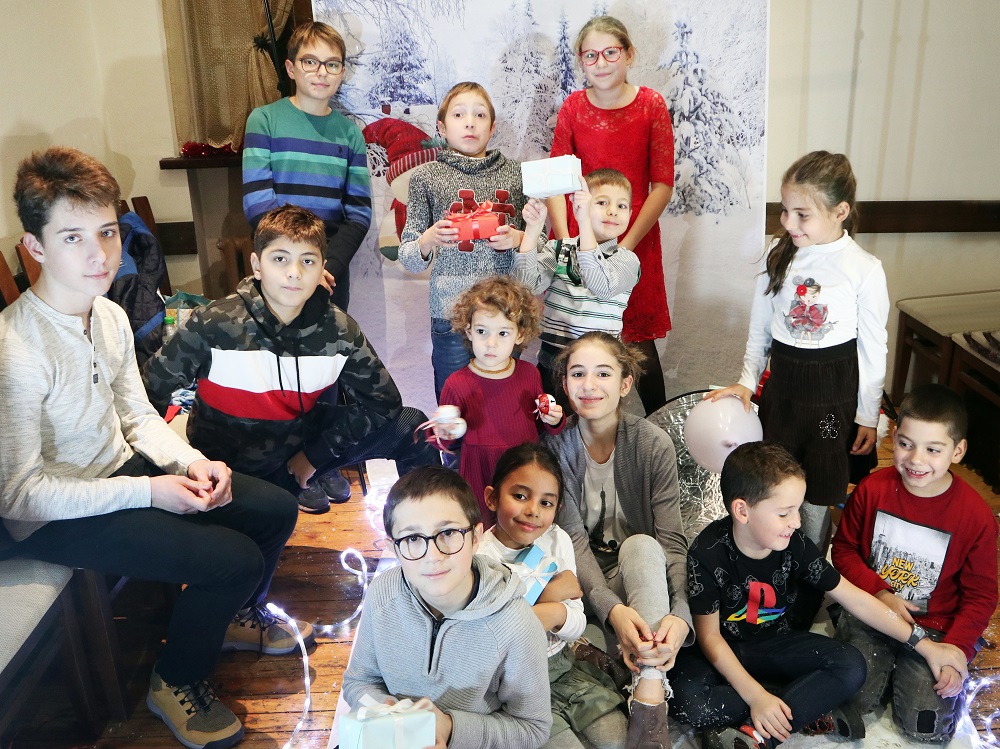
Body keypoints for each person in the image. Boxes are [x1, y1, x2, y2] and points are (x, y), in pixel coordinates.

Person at [0, 146, 306, 749]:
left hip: (120, 471)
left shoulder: (109, 315)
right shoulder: (17, 349)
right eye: (72, 237)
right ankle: (176, 680)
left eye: (107, 231)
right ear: (35, 246)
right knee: (232, 559)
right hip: (53, 516)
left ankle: (228, 616)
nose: (99, 253)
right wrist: (149, 491)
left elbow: (138, 416)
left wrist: (192, 462)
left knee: (274, 507)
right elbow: (18, 497)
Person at [670, 442, 969, 749]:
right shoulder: (707, 552)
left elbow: (855, 598)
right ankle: (798, 704)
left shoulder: (795, 544)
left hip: (772, 644)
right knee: (686, 703)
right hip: (721, 649)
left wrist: (924, 645)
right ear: (743, 511)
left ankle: (761, 731)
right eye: (784, 513)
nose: (797, 522)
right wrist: (756, 696)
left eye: (797, 510)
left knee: (851, 666)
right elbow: (709, 639)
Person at [143, 204, 439, 515]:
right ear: (257, 265)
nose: (294, 272)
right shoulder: (212, 323)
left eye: (307, 261)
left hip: (295, 448)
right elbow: (147, 395)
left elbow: (383, 402)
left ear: (323, 269)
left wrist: (316, 454)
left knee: (412, 427)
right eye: (280, 259)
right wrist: (169, 475)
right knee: (265, 526)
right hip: (223, 467)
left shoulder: (339, 330)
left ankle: (426, 527)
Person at [706, 151, 890, 553]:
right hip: (784, 393)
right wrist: (747, 380)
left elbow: (874, 349)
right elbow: (760, 328)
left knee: (819, 484)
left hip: (832, 400)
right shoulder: (780, 252)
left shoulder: (864, 268)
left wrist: (867, 414)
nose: (789, 223)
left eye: (802, 214)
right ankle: (770, 555)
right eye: (785, 211)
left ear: (840, 212)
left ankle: (810, 562)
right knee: (774, 477)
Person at [543, 332, 691, 749]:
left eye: (603, 374)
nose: (589, 385)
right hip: (586, 588)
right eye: (577, 374)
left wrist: (682, 615)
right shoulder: (555, 449)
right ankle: (643, 667)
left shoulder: (652, 444)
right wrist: (614, 611)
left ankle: (649, 695)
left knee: (641, 545)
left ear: (626, 384)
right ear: (565, 383)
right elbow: (573, 541)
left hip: (644, 575)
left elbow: (671, 541)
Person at [341, 466, 552, 749]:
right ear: (394, 549)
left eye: (448, 532)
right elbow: (358, 681)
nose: (433, 556)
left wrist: (451, 729)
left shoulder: (517, 626)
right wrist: (383, 708)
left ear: (475, 537)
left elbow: (533, 728)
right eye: (412, 539)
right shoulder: (382, 594)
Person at [832, 384, 998, 741]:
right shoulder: (871, 489)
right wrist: (880, 592)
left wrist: (957, 649)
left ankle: (901, 675)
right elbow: (843, 550)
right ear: (894, 437)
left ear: (957, 451)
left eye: (933, 449)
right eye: (906, 444)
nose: (916, 460)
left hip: (936, 627)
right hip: (872, 613)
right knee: (852, 697)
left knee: (925, 725)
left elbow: (981, 595)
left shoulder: (977, 517)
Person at [549, 16, 675, 415]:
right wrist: (565, 241)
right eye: (590, 55)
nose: (600, 63)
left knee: (635, 339)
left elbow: (662, 184)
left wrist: (626, 247)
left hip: (633, 235)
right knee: (574, 334)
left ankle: (660, 427)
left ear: (628, 54)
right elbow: (557, 179)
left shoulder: (650, 105)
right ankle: (563, 431)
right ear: (581, 61)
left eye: (610, 52)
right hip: (581, 235)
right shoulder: (573, 107)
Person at [478, 443, 628, 749]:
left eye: (546, 502)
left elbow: (576, 622)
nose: (533, 510)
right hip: (514, 683)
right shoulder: (479, 559)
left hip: (562, 665)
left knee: (616, 738)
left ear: (557, 508)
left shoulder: (557, 540)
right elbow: (495, 640)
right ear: (492, 497)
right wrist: (551, 597)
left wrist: (558, 614)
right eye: (520, 496)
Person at [397, 81, 529, 400]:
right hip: (451, 312)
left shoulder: (518, 175)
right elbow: (408, 256)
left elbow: (535, 247)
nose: (470, 122)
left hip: (506, 313)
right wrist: (429, 239)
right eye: (459, 115)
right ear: (442, 127)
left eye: (479, 115)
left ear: (492, 127)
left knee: (504, 400)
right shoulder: (426, 177)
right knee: (454, 401)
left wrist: (518, 237)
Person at [242, 21, 371, 311]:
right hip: (278, 265)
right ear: (291, 68)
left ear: (341, 73)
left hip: (329, 272)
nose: (321, 72)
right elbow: (257, 202)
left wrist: (323, 267)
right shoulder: (264, 121)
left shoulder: (351, 134)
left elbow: (359, 214)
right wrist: (297, 263)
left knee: (330, 339)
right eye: (310, 62)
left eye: (332, 64)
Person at [439, 276, 564, 525]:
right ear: (469, 331)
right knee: (484, 530)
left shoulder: (529, 374)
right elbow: (446, 442)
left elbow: (541, 425)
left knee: (524, 525)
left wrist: (553, 420)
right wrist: (445, 431)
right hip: (480, 472)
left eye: (503, 333)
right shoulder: (456, 383)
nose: (491, 343)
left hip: (524, 468)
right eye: (482, 331)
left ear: (520, 334)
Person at [513, 168, 640, 394]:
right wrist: (532, 230)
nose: (612, 211)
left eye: (621, 206)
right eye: (602, 202)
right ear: (579, 206)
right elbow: (526, 286)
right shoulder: (559, 249)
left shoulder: (627, 260)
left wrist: (584, 224)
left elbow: (601, 286)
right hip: (552, 366)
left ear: (630, 214)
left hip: (599, 370)